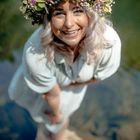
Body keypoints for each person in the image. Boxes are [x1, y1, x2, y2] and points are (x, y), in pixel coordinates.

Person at [8, 0, 121, 140]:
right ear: (48, 19)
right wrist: (56, 115)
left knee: (59, 118)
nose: (69, 24)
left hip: (68, 88)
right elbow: (51, 94)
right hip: (42, 88)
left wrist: (72, 85)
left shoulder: (109, 42)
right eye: (59, 13)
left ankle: (51, 132)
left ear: (91, 14)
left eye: (78, 10)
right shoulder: (35, 53)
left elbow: (100, 76)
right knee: (53, 119)